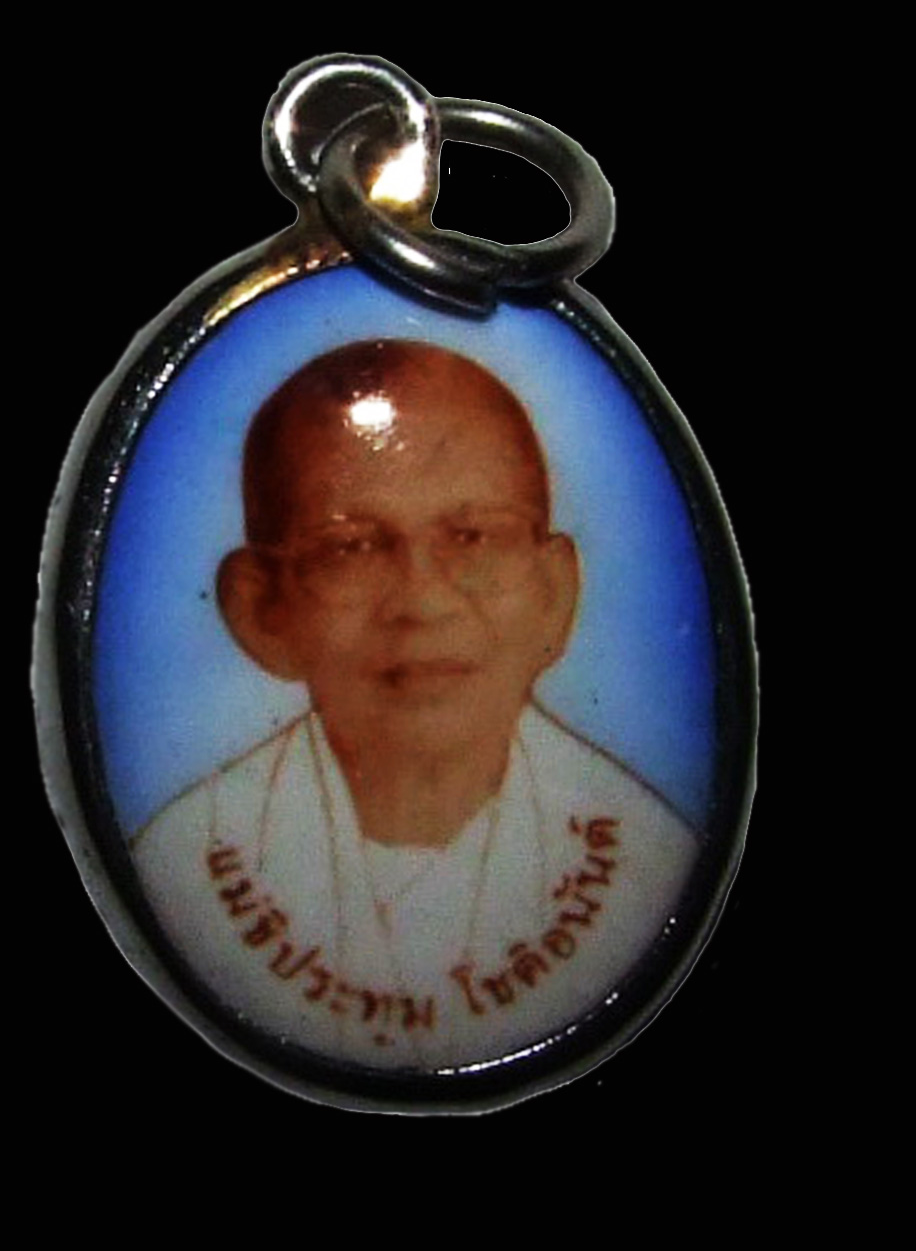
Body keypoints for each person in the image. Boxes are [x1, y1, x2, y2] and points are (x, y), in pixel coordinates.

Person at [131, 339, 697, 1069]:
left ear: (555, 593)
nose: (423, 602)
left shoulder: (646, 854)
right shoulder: (184, 854)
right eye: (352, 548)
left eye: (474, 538)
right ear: (262, 611)